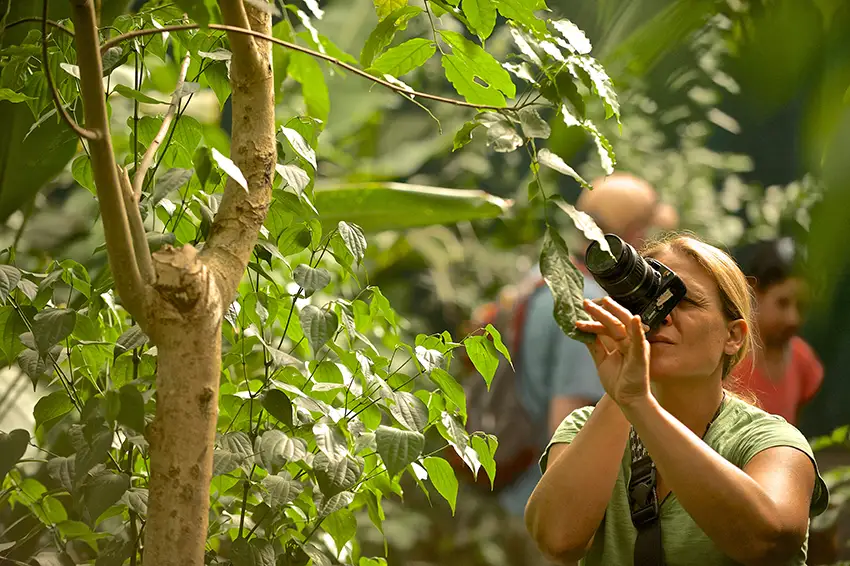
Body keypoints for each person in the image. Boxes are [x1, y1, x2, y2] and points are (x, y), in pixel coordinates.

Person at [525, 233, 828, 565]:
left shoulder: (769, 443)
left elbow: (768, 542)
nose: (662, 316)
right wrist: (622, 398)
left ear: (733, 335)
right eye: (648, 303)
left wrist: (639, 404)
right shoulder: (586, 428)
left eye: (684, 301)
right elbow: (556, 540)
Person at [498, 173, 679, 520]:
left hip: (517, 492)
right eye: (650, 233)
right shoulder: (592, 306)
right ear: (632, 235)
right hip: (550, 506)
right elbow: (568, 421)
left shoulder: (546, 282)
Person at [730, 238, 823, 425]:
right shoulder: (726, 357)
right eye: (782, 303)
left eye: (802, 306)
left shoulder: (802, 361)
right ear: (754, 293)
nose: (793, 318)